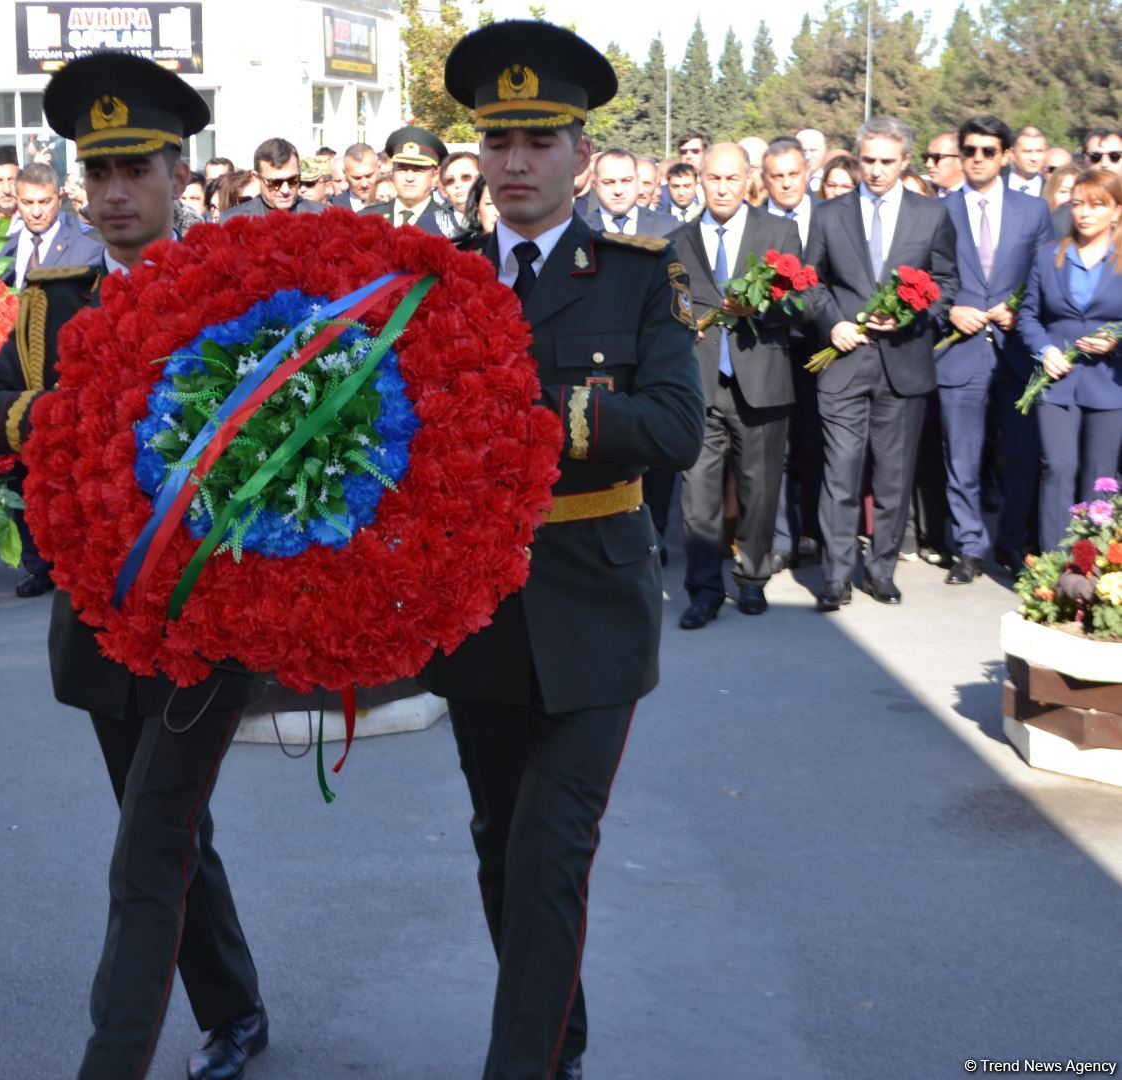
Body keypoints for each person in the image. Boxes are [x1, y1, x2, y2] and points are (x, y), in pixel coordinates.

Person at [0, 52, 270, 1080]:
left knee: (148, 842)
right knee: (166, 823)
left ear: (182, 174)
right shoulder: (52, 301)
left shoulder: (239, 291)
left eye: (137, 168)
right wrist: (59, 412)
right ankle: (240, 1011)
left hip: (201, 615)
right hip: (97, 616)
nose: (116, 191)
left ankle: (114, 1059)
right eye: (99, 171)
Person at [423, 21, 702, 1080]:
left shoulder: (638, 273)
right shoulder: (438, 278)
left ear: (581, 155)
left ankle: (522, 1065)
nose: (515, 164)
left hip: (592, 604)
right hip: (479, 608)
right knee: (501, 844)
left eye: (538, 141)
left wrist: (530, 410)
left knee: (549, 853)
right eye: (497, 142)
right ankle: (560, 1041)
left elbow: (677, 427)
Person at [806, 116, 959, 610]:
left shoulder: (930, 215)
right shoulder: (829, 214)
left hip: (903, 363)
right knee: (841, 472)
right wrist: (832, 323)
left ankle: (882, 571)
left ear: (905, 162)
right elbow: (812, 281)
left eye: (886, 162)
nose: (875, 170)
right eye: (867, 160)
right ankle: (836, 575)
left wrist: (914, 316)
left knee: (894, 475)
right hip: (844, 360)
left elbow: (947, 284)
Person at [673, 143, 805, 628]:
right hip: (701, 387)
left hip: (762, 383)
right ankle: (703, 591)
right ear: (700, 180)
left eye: (731, 178)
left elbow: (801, 305)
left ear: (747, 179)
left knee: (760, 489)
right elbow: (667, 310)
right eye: (714, 179)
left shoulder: (779, 232)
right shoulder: (677, 239)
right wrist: (684, 325)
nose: (722, 188)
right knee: (699, 497)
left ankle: (751, 580)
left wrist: (763, 309)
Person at [938, 115, 1055, 582]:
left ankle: (1010, 542)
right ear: (960, 154)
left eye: (988, 151)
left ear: (1005, 156)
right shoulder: (939, 210)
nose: (978, 159)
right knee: (961, 457)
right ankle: (968, 545)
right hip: (959, 349)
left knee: (1023, 455)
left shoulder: (1034, 212)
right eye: (969, 150)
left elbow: (1047, 275)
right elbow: (924, 278)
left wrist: (1019, 307)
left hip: (1017, 350)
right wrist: (950, 310)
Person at [1019, 168, 1122, 550]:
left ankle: (1094, 568)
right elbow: (1028, 315)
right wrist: (1046, 350)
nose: (1085, 213)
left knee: (1101, 477)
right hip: (1057, 380)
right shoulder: (1049, 256)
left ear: (1116, 211)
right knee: (1057, 468)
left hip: (1110, 384)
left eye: (1097, 205)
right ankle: (1051, 569)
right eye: (1078, 204)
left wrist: (1115, 341)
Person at [761, 138, 825, 571]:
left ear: (808, 173)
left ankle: (816, 533)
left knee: (819, 446)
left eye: (793, 174)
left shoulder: (833, 217)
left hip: (824, 349)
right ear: (764, 179)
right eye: (776, 176)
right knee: (776, 449)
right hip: (772, 348)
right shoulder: (755, 222)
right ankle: (783, 536)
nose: (786, 184)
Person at [0, 163, 102, 284]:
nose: (36, 212)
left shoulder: (86, 252)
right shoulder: (1, 250)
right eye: (27, 203)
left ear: (59, 201)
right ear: (17, 201)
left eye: (44, 202)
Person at [359, 125, 460, 235]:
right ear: (392, 172)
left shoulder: (450, 225)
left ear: (435, 177)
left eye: (419, 170)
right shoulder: (367, 219)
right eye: (402, 169)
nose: (409, 178)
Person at [581, 147, 679, 238]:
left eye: (626, 181)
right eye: (608, 182)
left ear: (637, 181)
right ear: (594, 185)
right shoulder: (578, 231)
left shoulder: (669, 227)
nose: (618, 191)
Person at [222, 137, 326, 219]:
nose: (285, 190)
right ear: (256, 178)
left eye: (292, 180)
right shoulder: (233, 221)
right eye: (276, 183)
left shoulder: (324, 217)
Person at [334, 142, 379, 211]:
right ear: (345, 174)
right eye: (357, 178)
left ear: (378, 168)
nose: (364, 184)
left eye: (369, 176)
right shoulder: (334, 207)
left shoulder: (393, 202)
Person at [1007, 126, 1048, 197]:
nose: (1034, 158)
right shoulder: (995, 183)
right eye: (1027, 151)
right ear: (1012, 154)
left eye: (1039, 151)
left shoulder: (1051, 189)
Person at [925, 132, 965, 197]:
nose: (928, 164)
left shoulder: (977, 199)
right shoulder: (922, 195)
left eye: (936, 157)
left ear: (961, 161)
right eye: (926, 157)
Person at [797, 127, 828, 192]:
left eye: (813, 150)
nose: (808, 156)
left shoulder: (832, 181)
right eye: (803, 151)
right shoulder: (788, 182)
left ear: (824, 150)